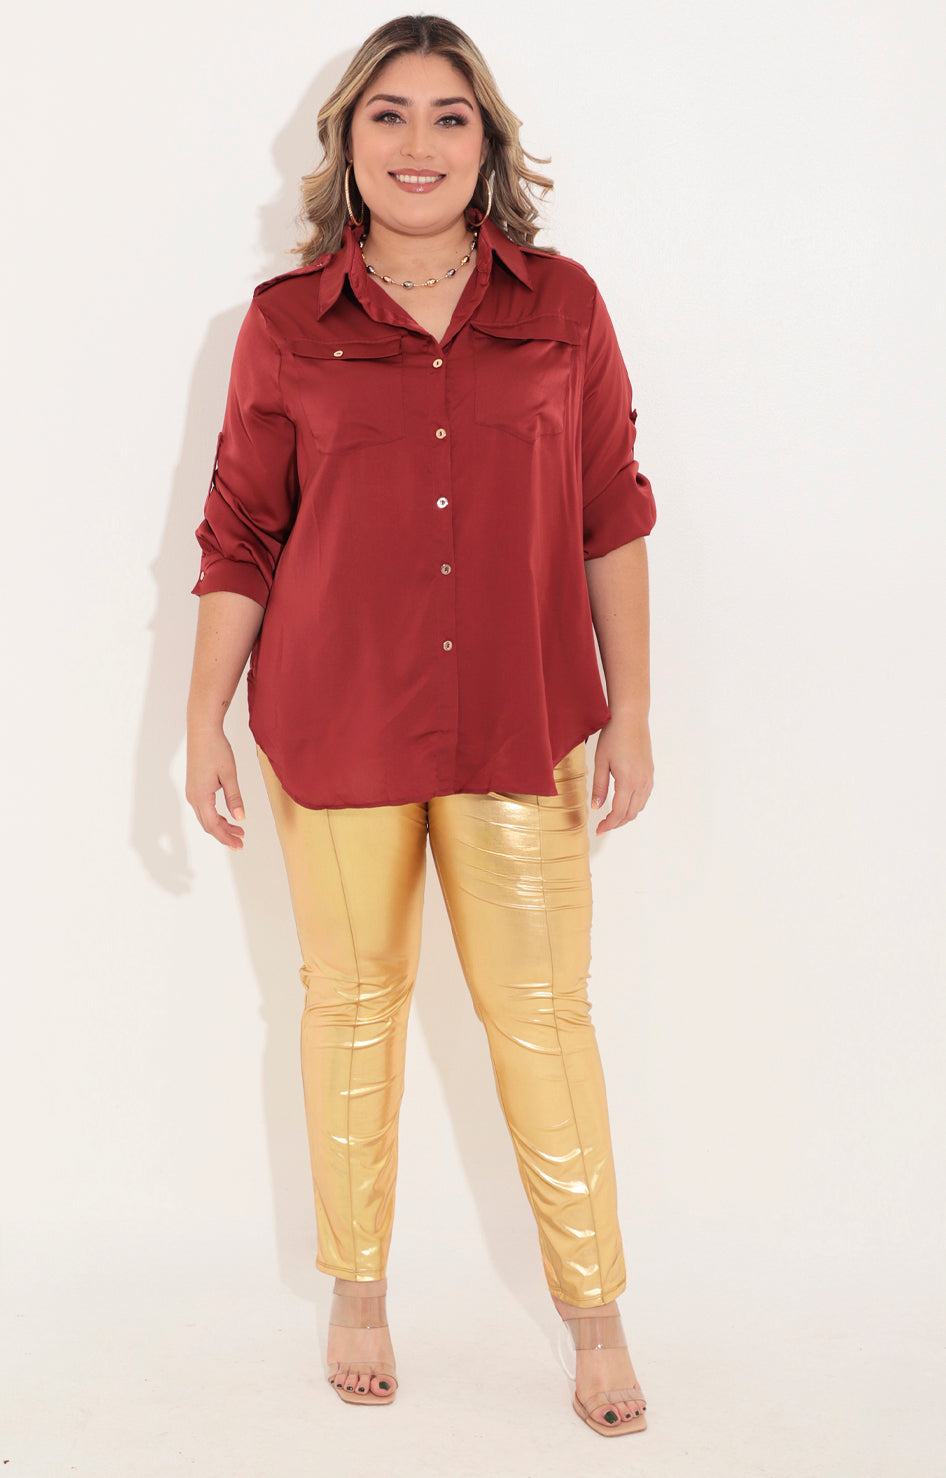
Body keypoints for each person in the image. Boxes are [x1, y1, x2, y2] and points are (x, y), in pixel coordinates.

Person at [185, 14, 655, 1439]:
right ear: (346, 143)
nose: (418, 143)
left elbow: (611, 507)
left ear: (487, 144)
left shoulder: (562, 307)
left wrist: (633, 709)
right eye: (387, 114)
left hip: (521, 719)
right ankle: (358, 1294)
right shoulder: (285, 325)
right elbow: (241, 529)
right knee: (349, 1006)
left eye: (450, 116)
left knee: (544, 1016)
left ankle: (595, 1316)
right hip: (337, 724)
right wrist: (201, 719)